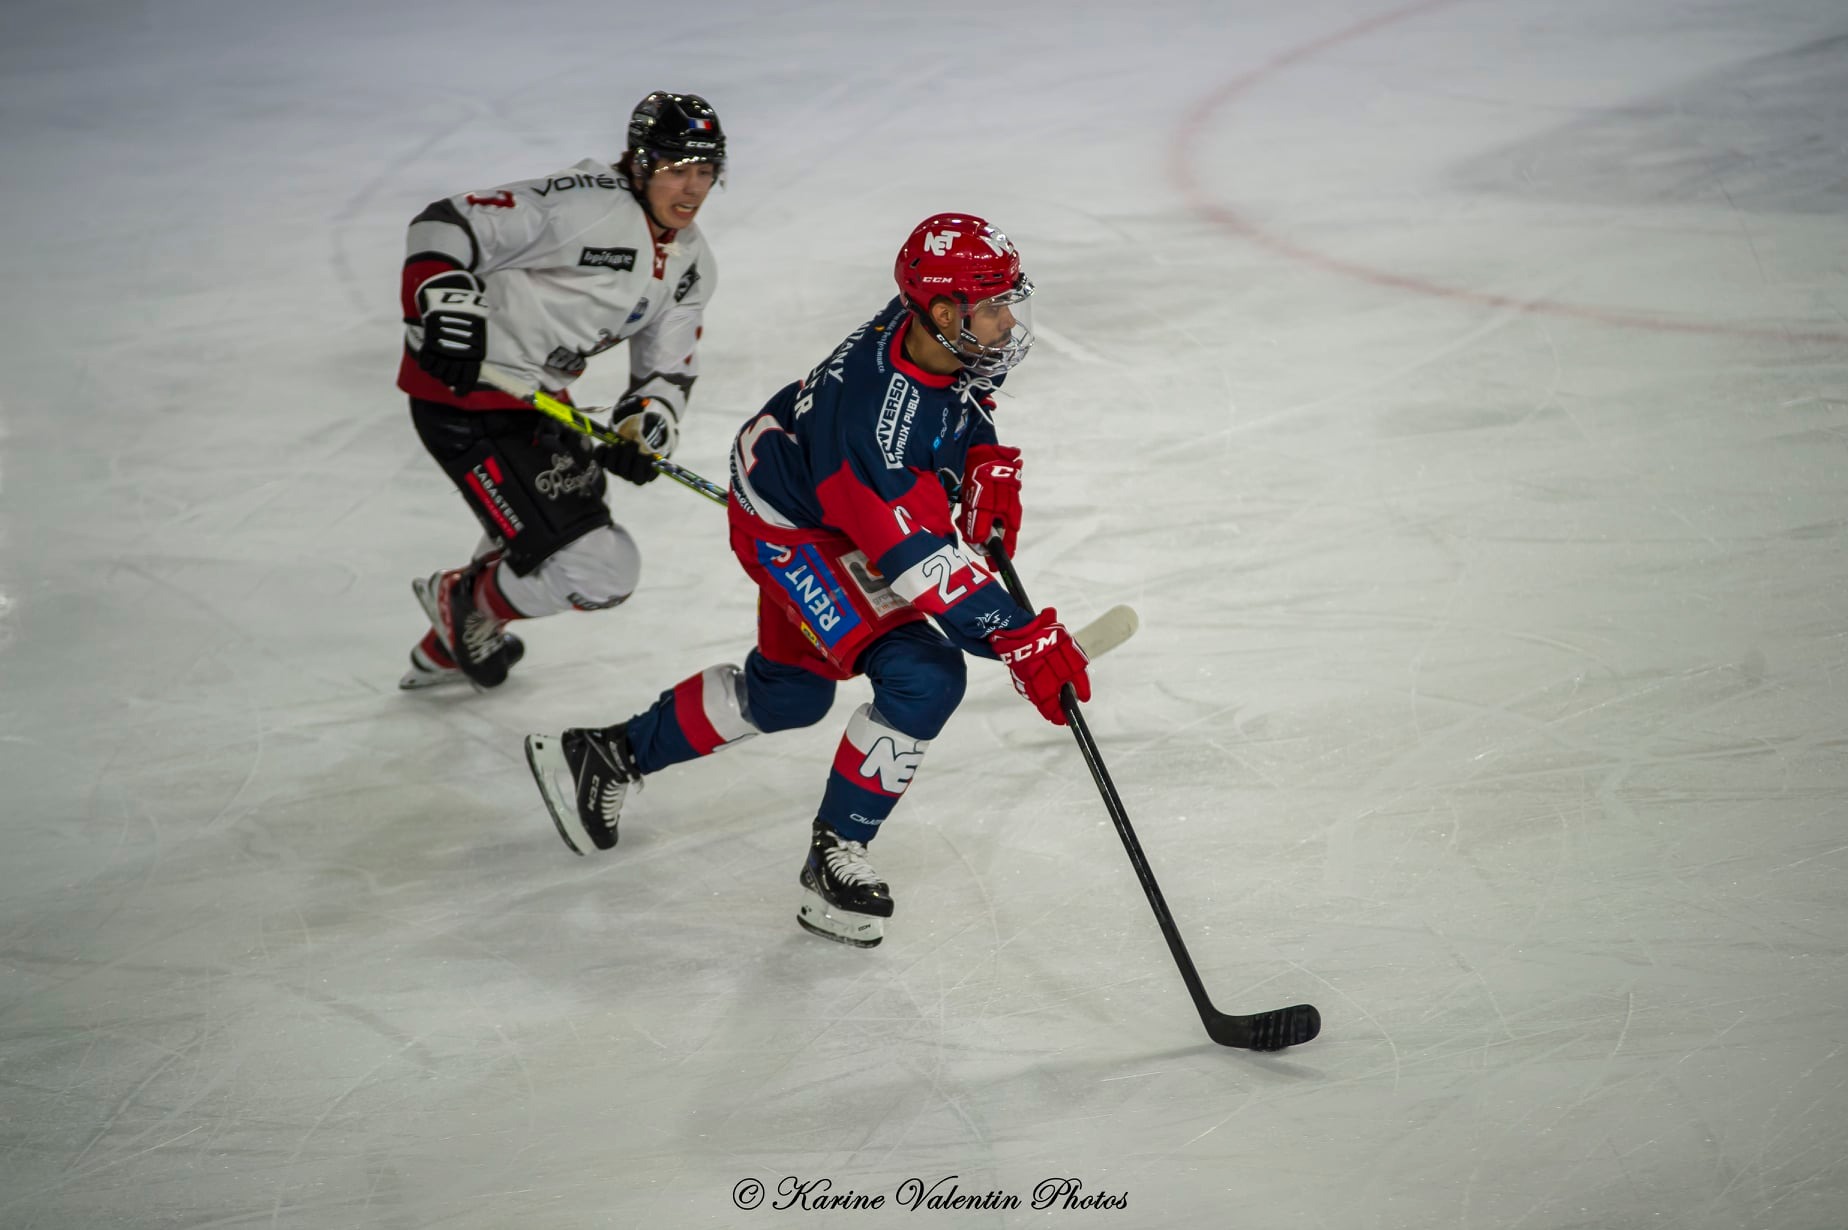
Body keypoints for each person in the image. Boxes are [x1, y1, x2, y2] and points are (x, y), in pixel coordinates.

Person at [523, 214, 1092, 948]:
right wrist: (1017, 637)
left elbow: (949, 412)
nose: (1008, 321)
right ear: (946, 312)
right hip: (805, 530)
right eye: (993, 307)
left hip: (811, 490)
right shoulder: (873, 433)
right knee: (924, 675)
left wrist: (978, 458)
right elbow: (920, 564)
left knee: (789, 695)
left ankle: (608, 753)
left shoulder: (926, 331)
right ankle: (835, 855)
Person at [397, 91, 726, 690]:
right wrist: (444, 302)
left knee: (545, 525)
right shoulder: (584, 206)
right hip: (465, 393)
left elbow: (666, 369)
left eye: (705, 171)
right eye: (676, 168)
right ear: (640, 162)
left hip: (537, 399)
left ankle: (448, 644)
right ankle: (465, 604)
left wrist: (644, 427)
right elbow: (446, 223)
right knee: (601, 567)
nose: (691, 189)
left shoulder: (692, 263)